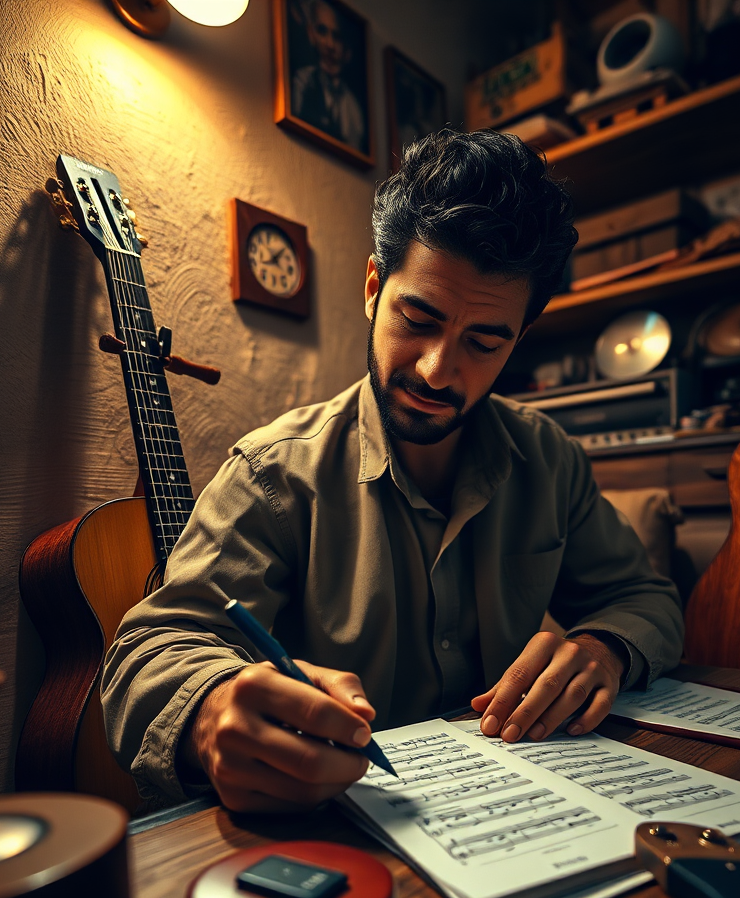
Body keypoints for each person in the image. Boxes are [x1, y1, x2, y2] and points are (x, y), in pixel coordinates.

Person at [101, 130, 684, 811]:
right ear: (374, 288)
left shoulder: (549, 459)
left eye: (484, 341)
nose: (439, 369)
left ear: (519, 340)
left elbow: (649, 600)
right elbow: (152, 650)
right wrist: (210, 711)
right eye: (418, 318)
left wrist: (604, 647)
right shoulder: (272, 472)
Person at [291, 0, 366, 153]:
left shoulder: (353, 107)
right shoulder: (302, 81)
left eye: (337, 36)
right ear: (311, 34)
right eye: (322, 31)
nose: (330, 45)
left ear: (347, 50)